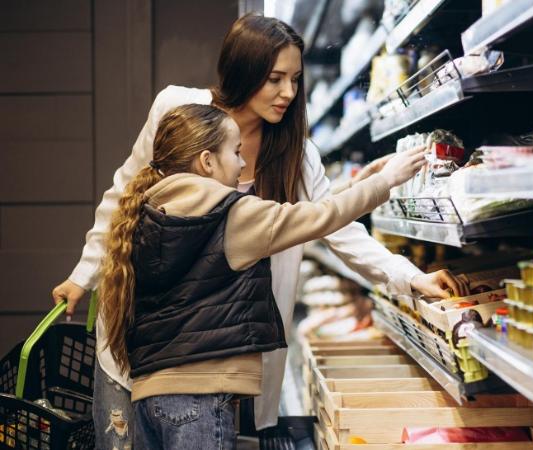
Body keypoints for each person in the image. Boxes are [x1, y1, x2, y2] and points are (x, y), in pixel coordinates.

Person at [50, 14, 468, 449]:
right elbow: (124, 195)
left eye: (295, 80)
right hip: (139, 342)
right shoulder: (177, 110)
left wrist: (411, 277)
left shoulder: (294, 154)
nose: (288, 93)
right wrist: (85, 275)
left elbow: (338, 230)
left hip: (219, 355)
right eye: (274, 79)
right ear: (244, 71)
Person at [96, 103, 425, 449]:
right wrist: (386, 181)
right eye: (235, 152)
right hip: (201, 402)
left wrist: (360, 183)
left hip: (149, 399)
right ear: (207, 161)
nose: (242, 164)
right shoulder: (233, 215)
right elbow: (320, 218)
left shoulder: (144, 214)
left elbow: (304, 212)